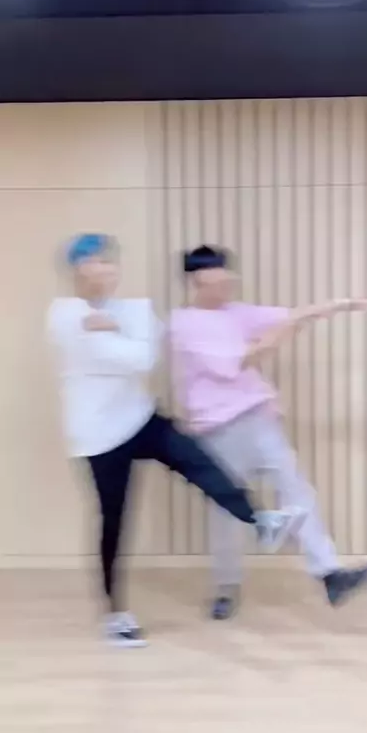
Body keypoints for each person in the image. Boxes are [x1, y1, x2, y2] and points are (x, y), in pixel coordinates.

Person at [46, 234, 298, 647]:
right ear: (76, 271)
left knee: (196, 459)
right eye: (92, 263)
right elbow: (132, 355)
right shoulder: (63, 314)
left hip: (139, 417)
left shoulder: (134, 309)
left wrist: (115, 329)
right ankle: (115, 615)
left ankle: (260, 520)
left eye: (108, 261)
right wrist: (125, 337)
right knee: (114, 520)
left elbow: (147, 358)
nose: (104, 269)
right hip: (97, 434)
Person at [169, 245, 367, 620]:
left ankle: (329, 573)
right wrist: (279, 334)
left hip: (258, 418)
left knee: (297, 491)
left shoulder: (238, 312)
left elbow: (294, 315)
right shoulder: (184, 323)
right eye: (219, 275)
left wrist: (344, 304)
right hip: (218, 430)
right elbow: (240, 361)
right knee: (227, 511)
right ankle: (226, 587)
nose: (228, 281)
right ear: (198, 279)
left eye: (228, 274)